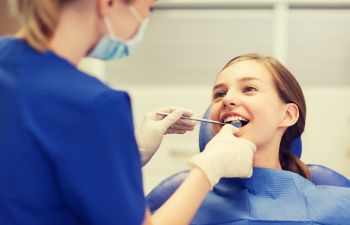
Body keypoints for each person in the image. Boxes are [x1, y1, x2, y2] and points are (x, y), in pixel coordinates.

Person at [0, 1, 258, 225]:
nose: (144, 20)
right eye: (147, 9)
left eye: (249, 89)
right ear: (108, 3)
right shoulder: (94, 104)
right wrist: (208, 168)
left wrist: (132, 152)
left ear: (289, 114)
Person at [147, 54, 350, 224]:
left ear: (287, 115)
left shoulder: (337, 204)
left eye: (249, 89)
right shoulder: (174, 205)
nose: (227, 99)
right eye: (219, 94)